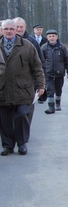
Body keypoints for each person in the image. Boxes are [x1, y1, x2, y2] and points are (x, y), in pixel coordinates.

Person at [0, 19, 45, 156]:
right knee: (5, 120)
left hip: (23, 89)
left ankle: (21, 143)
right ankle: (8, 146)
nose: (9, 31)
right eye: (6, 29)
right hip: (2, 90)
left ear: (17, 30)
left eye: (11, 29)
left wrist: (41, 85)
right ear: (1, 30)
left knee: (22, 115)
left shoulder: (27, 46)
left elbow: (37, 67)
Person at [41, 29, 68, 114]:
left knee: (58, 89)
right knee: (50, 89)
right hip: (48, 73)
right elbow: (40, 61)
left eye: (53, 36)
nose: (52, 38)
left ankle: (58, 103)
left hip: (59, 73)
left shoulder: (62, 47)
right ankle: (51, 107)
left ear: (57, 37)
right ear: (47, 37)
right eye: (50, 36)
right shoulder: (44, 48)